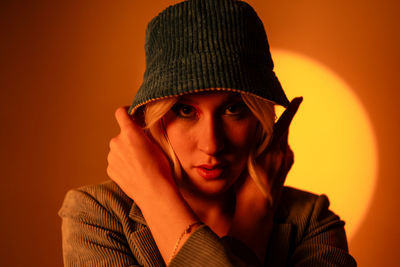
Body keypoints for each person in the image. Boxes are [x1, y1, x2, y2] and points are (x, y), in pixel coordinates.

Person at [59, 0, 357, 266]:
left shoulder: (311, 222)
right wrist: (154, 195)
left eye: (233, 109)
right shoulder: (98, 216)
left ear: (260, 116)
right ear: (156, 118)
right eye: (186, 111)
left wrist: (252, 217)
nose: (212, 144)